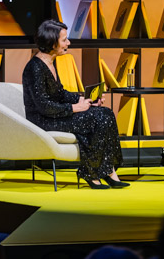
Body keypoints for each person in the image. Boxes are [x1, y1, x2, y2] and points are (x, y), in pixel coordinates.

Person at [22, 19, 127, 189]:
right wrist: (75, 108)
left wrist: (84, 100)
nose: (69, 43)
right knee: (97, 118)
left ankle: (108, 170)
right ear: (52, 43)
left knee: (105, 112)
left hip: (56, 114)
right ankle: (91, 172)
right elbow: (44, 106)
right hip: (43, 120)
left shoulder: (50, 62)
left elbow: (60, 93)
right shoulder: (34, 68)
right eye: (64, 40)